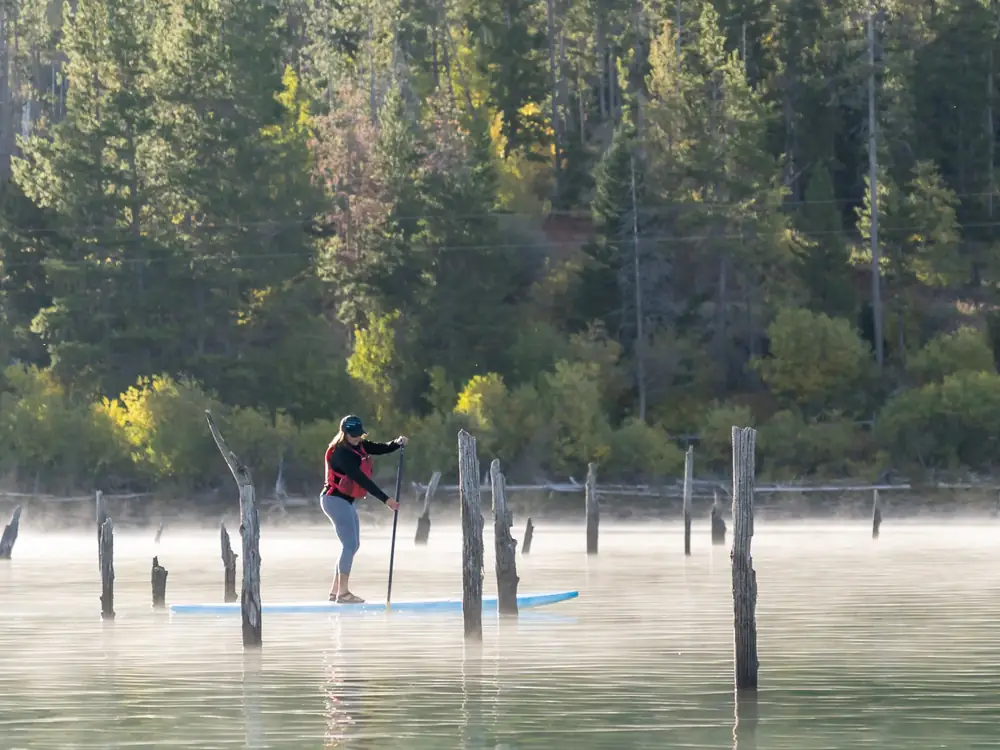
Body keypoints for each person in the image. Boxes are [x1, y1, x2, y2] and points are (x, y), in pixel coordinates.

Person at [321, 414, 408, 603]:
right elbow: (361, 479)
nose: (357, 438)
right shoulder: (341, 453)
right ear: (344, 433)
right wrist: (386, 500)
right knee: (349, 545)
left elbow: (380, 448)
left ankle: (335, 590)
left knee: (353, 545)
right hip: (334, 500)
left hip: (346, 501)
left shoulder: (359, 445)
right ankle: (343, 594)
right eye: (353, 435)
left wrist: (397, 443)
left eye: (359, 434)